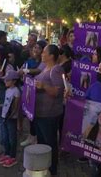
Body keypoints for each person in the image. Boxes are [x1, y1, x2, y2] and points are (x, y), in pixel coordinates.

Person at [33, 45, 65, 176]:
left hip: (49, 113)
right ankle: (43, 167)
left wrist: (44, 86)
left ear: (52, 55)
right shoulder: (44, 67)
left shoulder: (56, 69)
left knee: (50, 143)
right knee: (42, 142)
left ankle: (52, 170)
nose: (42, 53)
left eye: (45, 52)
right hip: (40, 111)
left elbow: (58, 91)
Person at [18, 40, 47, 147]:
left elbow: (38, 71)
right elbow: (20, 70)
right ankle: (31, 135)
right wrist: (21, 72)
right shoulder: (28, 60)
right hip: (28, 90)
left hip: (39, 93)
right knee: (30, 115)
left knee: (37, 117)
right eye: (35, 47)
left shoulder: (43, 62)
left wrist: (26, 71)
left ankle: (37, 137)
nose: (35, 50)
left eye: (38, 48)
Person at [0, 70, 21, 168]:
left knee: (12, 138)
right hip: (4, 116)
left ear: (14, 81)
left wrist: (13, 117)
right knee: (5, 136)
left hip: (11, 118)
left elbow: (15, 107)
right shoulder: (7, 90)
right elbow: (6, 104)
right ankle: (7, 153)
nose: (5, 81)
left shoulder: (16, 91)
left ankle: (12, 156)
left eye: (8, 80)